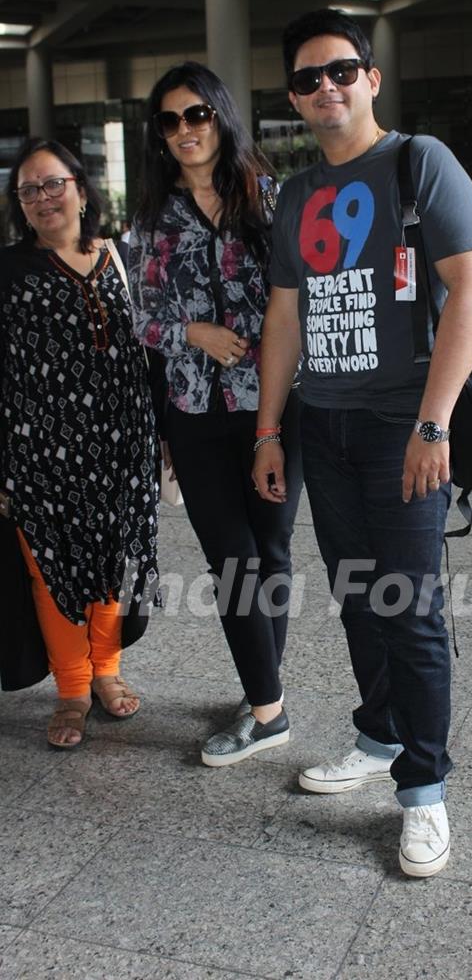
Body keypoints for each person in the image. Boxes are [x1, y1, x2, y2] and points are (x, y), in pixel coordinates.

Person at [252, 9, 472, 878]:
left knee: (413, 609)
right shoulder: (294, 194)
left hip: (403, 422)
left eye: (343, 70)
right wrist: (270, 430)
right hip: (326, 422)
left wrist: (434, 423)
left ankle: (424, 792)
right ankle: (380, 735)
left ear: (372, 78)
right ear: (294, 98)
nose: (329, 88)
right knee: (361, 597)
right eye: (310, 78)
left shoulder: (418, 161)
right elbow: (286, 314)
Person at [128, 62, 302, 767]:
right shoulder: (151, 217)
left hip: (276, 407)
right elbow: (140, 316)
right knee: (232, 560)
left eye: (195, 114)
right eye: (169, 121)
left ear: (220, 116)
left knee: (273, 554)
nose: (184, 131)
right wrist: (193, 333)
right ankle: (268, 711)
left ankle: (265, 694)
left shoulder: (273, 199)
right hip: (195, 411)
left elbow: (303, 295)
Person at [0, 138, 159, 748]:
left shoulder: (122, 258)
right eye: (29, 190)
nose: (43, 198)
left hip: (122, 447)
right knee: (51, 569)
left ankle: (106, 672)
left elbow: (154, 350)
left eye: (53, 183)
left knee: (113, 567)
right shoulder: (8, 272)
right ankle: (71, 689)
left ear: (81, 188)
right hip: (38, 453)